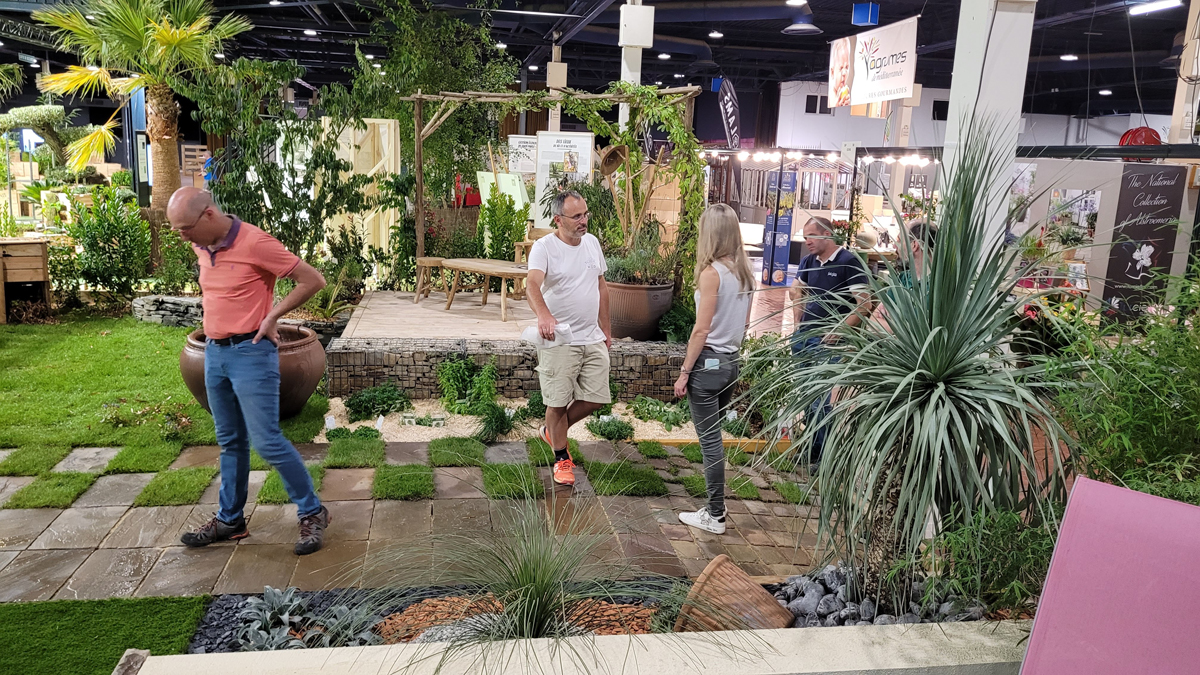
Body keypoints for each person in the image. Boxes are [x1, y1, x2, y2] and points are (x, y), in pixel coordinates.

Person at [168, 187, 332, 555]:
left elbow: (313, 280)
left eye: (185, 229)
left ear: (209, 214)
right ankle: (230, 520)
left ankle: (313, 511)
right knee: (230, 441)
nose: (182, 237)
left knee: (267, 441)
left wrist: (272, 316)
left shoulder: (255, 242)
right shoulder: (202, 244)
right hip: (214, 353)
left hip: (251, 352)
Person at [674, 204, 754, 535]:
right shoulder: (745, 272)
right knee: (714, 438)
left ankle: (715, 514)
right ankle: (715, 508)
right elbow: (744, 325)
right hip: (730, 363)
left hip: (708, 365)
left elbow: (701, 330)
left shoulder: (712, 274)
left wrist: (684, 371)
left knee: (710, 442)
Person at [526, 190, 612, 486]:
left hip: (591, 337)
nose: (583, 220)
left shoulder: (592, 243)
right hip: (560, 339)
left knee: (596, 398)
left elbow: (601, 286)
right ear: (558, 220)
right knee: (557, 402)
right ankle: (561, 458)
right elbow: (532, 284)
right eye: (576, 216)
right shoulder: (544, 248)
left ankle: (551, 431)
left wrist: (606, 329)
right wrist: (543, 315)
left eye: (585, 214)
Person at [789, 216, 870, 469]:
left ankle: (825, 457)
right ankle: (811, 450)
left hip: (829, 343)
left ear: (827, 234)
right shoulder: (808, 261)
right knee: (806, 395)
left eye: (811, 236)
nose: (807, 242)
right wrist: (797, 321)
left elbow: (865, 304)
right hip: (804, 338)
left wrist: (839, 329)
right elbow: (796, 289)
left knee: (822, 399)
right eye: (805, 237)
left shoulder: (848, 262)